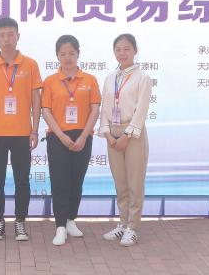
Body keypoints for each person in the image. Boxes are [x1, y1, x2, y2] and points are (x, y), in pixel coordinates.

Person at [0, 17, 42, 241]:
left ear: (18, 36)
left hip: (22, 133)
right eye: (2, 35)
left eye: (10, 34)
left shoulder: (30, 64)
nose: (6, 39)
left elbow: (36, 99)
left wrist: (35, 130)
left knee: (22, 180)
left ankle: (20, 221)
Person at [41, 35, 101, 246]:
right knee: (59, 181)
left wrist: (84, 135)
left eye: (71, 53)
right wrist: (61, 136)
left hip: (83, 136)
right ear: (57, 56)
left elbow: (95, 110)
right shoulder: (50, 81)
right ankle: (59, 226)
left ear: (78, 54)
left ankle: (70, 220)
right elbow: (46, 111)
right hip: (58, 136)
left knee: (77, 180)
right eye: (63, 54)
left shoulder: (90, 80)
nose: (67, 58)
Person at [98, 34, 153, 247]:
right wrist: (107, 134)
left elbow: (141, 110)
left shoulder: (143, 78)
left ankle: (133, 227)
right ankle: (122, 223)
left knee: (134, 182)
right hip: (112, 134)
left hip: (133, 135)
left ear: (135, 50)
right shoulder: (110, 78)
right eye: (118, 49)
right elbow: (105, 107)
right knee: (120, 182)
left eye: (127, 49)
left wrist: (127, 136)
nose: (122, 53)